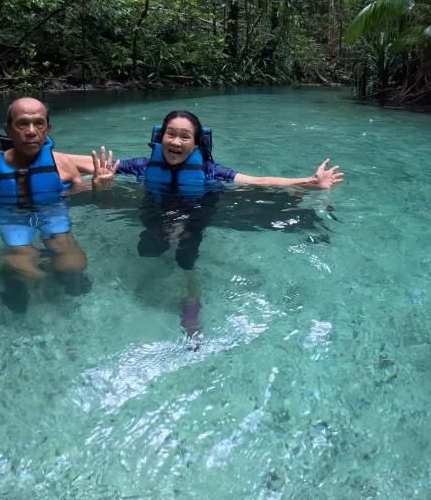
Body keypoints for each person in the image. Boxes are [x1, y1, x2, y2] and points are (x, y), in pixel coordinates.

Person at [85, 109, 344, 343]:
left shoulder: (210, 171)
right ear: (160, 137)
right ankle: (166, 253)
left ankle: (191, 299)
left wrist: (310, 182)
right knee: (148, 251)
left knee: (186, 260)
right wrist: (99, 186)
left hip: (194, 215)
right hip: (157, 214)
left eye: (185, 137)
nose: (176, 142)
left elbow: (258, 181)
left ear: (196, 143)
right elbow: (89, 168)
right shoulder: (142, 166)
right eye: (170, 134)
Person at [0, 97, 115, 312]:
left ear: (47, 129)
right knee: (27, 269)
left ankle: (59, 275)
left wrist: (98, 188)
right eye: (22, 123)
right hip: (10, 215)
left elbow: (76, 193)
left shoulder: (62, 163)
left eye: (39, 123)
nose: (31, 131)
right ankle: (13, 277)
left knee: (73, 264)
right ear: (9, 129)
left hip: (51, 212)